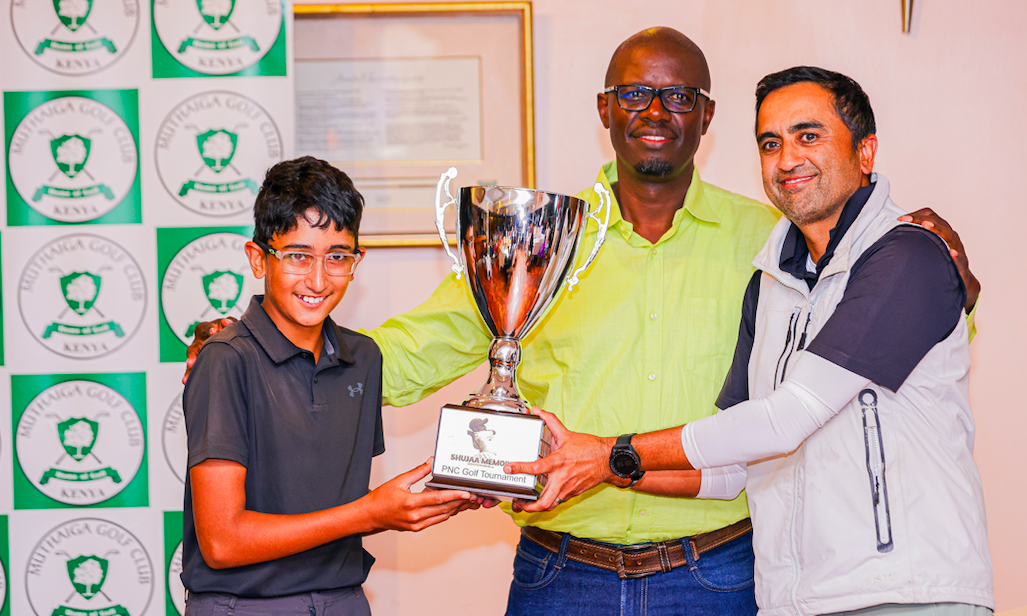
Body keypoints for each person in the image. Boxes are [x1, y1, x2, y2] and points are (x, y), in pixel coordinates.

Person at [185, 31, 980, 616]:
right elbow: (403, 353)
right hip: (559, 573)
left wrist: (952, 288)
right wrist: (265, 344)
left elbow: (871, 345)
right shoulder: (537, 235)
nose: (655, 110)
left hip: (720, 572)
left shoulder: (767, 237)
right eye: (634, 93)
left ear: (706, 116)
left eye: (678, 95)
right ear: (605, 109)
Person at [508, 66, 994, 616]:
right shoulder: (769, 283)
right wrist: (599, 466)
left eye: (808, 136)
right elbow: (734, 468)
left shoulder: (908, 255)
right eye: (771, 142)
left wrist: (612, 451)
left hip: (906, 595)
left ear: (865, 151)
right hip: (794, 601)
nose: (787, 159)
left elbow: (789, 416)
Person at [181, 157, 479, 616]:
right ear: (258, 258)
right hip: (247, 606)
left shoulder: (363, 358)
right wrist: (371, 514)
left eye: (337, 257)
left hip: (343, 600)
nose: (318, 280)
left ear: (357, 260)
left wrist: (459, 490)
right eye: (298, 256)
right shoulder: (226, 359)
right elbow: (222, 541)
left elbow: (335, 502)